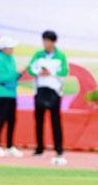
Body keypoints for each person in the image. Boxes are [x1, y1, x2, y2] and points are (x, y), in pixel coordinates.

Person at [28, 30, 69, 165]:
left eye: (48, 41)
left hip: (54, 91)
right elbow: (30, 69)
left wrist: (50, 71)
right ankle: (39, 148)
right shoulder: (38, 55)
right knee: (39, 121)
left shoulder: (60, 56)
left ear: (53, 42)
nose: (46, 43)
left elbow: (64, 71)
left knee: (55, 121)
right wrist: (39, 71)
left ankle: (59, 149)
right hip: (40, 89)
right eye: (44, 41)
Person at [0, 35, 22, 158]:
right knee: (1, 118)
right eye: (10, 47)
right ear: (3, 48)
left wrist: (18, 74)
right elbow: (1, 78)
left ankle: (10, 146)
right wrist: (17, 73)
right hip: (1, 93)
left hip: (11, 93)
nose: (12, 49)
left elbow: (13, 76)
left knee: (12, 120)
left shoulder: (11, 58)